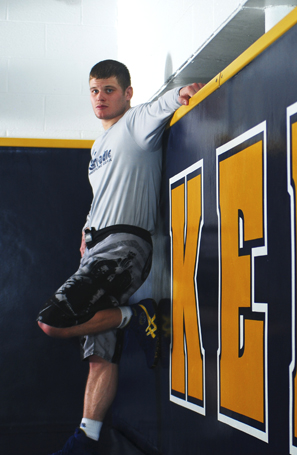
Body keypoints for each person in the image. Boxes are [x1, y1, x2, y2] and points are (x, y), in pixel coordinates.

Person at [36, 59, 203, 455]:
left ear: (127, 93)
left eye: (109, 90)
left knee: (52, 322)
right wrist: (86, 227)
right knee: (99, 357)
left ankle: (139, 315)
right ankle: (87, 439)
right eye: (94, 91)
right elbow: (104, 195)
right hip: (96, 249)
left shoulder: (136, 122)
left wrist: (186, 93)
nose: (100, 98)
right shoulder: (97, 146)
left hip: (125, 248)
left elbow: (172, 100)